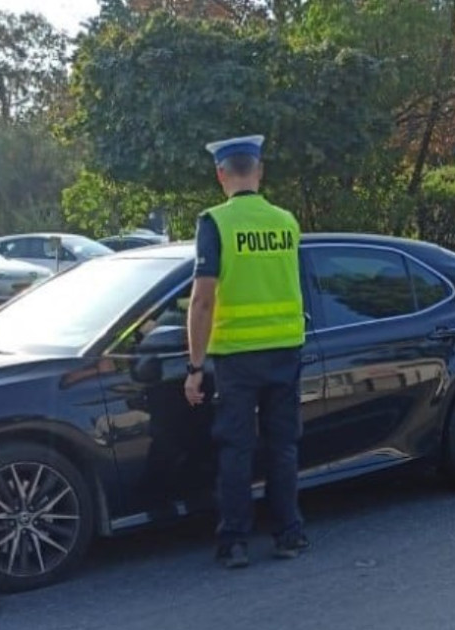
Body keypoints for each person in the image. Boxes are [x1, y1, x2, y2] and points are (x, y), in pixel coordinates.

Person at [183, 134, 310, 569]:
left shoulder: (215, 222)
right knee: (283, 448)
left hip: (237, 355)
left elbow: (202, 300)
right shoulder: (286, 222)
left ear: (221, 174)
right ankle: (289, 534)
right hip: (285, 351)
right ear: (260, 171)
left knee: (237, 450)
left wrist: (195, 366)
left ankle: (235, 542)